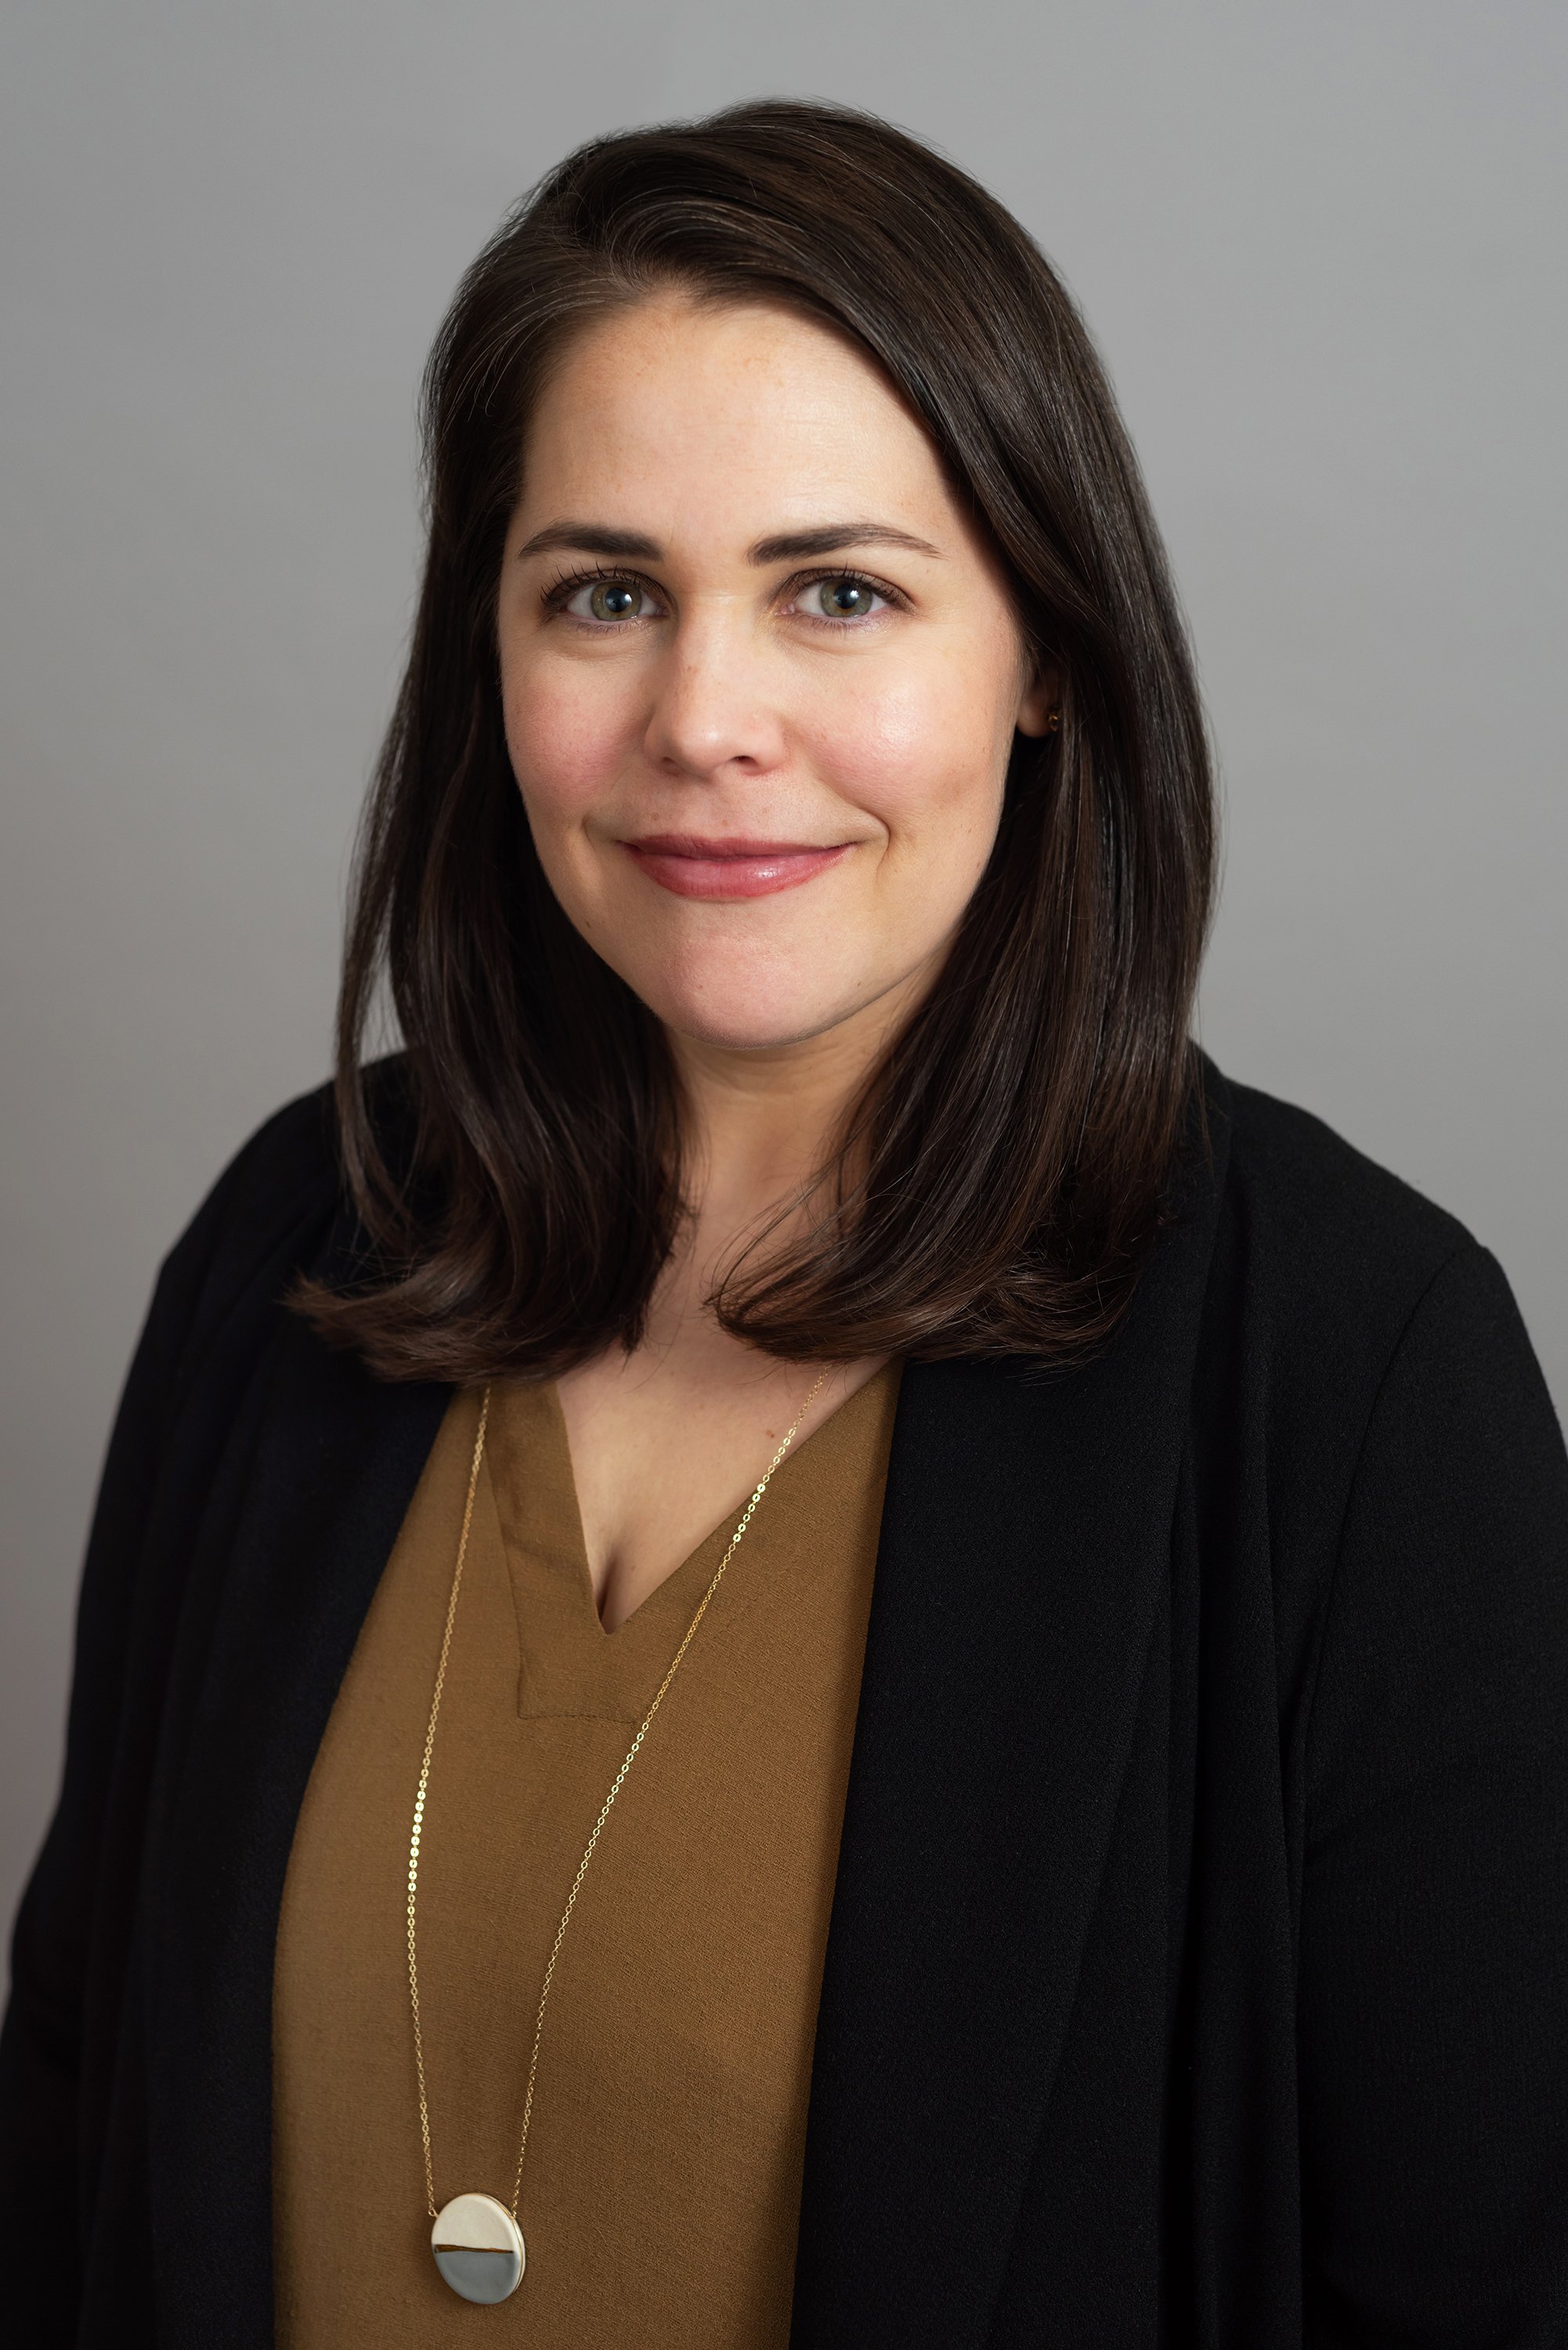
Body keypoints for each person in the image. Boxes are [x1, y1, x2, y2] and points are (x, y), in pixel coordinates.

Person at [3, 97, 1566, 2350]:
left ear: (1043, 654)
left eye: (838, 590)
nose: (704, 719)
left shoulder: (1348, 1373)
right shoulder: (292, 1245)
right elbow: (71, 2147)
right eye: (605, 594)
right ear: (490, 657)